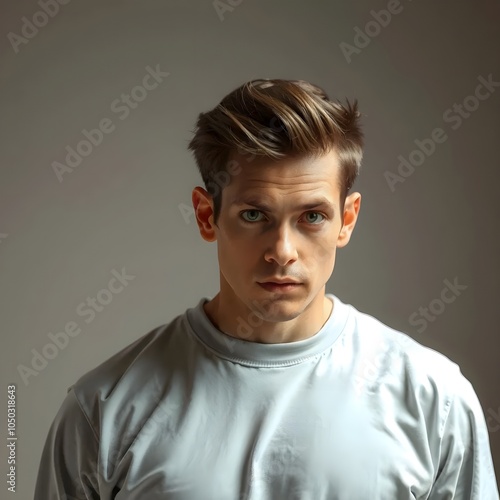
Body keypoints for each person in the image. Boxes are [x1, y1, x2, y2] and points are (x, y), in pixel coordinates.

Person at [34, 78, 499, 499]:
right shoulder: (104, 409)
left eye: (312, 217)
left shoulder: (432, 397)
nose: (282, 250)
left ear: (347, 219)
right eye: (254, 215)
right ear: (206, 215)